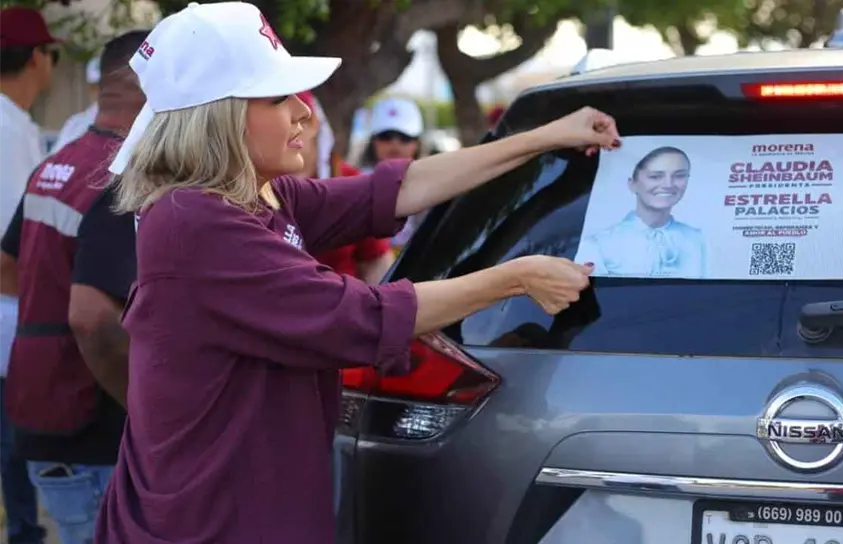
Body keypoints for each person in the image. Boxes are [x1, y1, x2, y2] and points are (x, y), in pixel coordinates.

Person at [92, 3, 619, 542]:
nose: (304, 112)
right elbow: (359, 315)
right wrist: (515, 277)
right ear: (218, 117)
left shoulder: (251, 198)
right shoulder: (194, 221)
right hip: (213, 518)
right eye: (279, 98)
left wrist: (543, 138)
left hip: (244, 502)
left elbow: (395, 189)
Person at [0, 30, 147, 544]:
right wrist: (152, 412)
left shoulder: (58, 164)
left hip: (50, 416)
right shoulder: (119, 176)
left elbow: (8, 264)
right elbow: (91, 317)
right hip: (93, 435)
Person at [0, 7, 60, 544]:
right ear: (38, 57)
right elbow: (7, 249)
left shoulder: (15, 123)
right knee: (13, 452)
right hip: (9, 319)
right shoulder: (5, 126)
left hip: (14, 316)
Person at [296, 90, 395, 283]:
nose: (292, 130)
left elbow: (377, 261)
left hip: (342, 307)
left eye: (299, 120)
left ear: (315, 124)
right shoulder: (251, 188)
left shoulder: (349, 181)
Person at [581, 146, 705, 278]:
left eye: (680, 176)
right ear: (632, 184)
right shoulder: (599, 244)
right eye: (655, 176)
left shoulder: (697, 240)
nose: (668, 184)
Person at [361, 96, 426, 251]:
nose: (394, 144)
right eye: (386, 136)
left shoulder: (435, 188)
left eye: (404, 137)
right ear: (373, 141)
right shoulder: (354, 182)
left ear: (417, 143)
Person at [50, 55, 101, 153]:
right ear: (90, 88)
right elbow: (55, 157)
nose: (101, 91)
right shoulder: (75, 123)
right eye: (96, 86)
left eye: (105, 84)